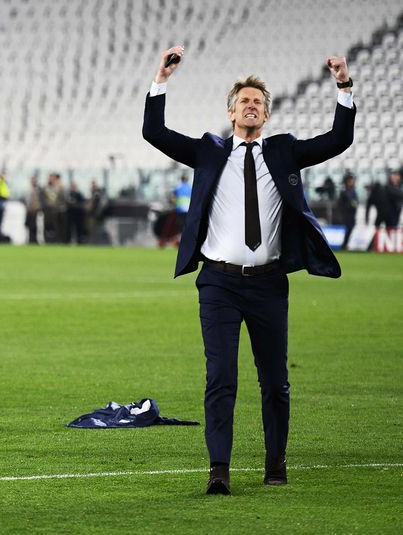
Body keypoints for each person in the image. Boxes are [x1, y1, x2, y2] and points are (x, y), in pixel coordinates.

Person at [142, 46, 355, 495]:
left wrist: (343, 84)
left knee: (275, 381)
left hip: (269, 285)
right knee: (221, 378)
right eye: (244, 101)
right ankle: (218, 469)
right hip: (218, 283)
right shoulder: (208, 151)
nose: (251, 106)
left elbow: (337, 140)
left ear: (267, 114)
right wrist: (161, 79)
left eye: (258, 102)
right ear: (231, 111)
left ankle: (275, 461)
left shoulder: (284, 151)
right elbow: (154, 132)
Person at [336, 172, 358, 250]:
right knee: (348, 229)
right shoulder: (344, 192)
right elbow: (340, 204)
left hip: (352, 214)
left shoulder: (353, 191)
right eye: (350, 181)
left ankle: (345, 244)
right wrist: (342, 213)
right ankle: (344, 245)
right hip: (346, 214)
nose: (352, 182)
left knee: (350, 229)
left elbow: (355, 202)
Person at [25, 175, 43, 244]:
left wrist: (36, 207)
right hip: (29, 210)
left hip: (35, 210)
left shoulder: (38, 190)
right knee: (28, 225)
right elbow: (26, 200)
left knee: (35, 226)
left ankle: (35, 239)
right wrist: (27, 207)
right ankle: (30, 239)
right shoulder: (28, 190)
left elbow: (39, 200)